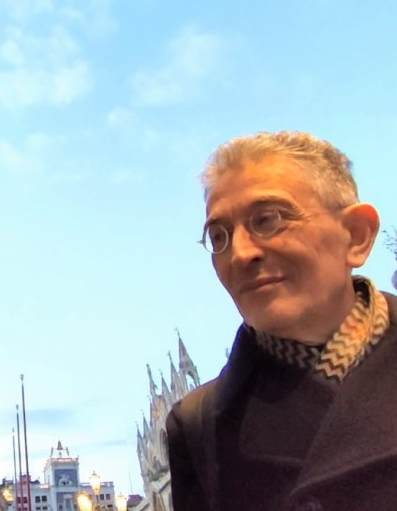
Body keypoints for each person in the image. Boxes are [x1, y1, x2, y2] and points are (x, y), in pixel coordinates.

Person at [166, 131, 396, 511]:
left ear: (356, 235)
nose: (239, 254)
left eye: (268, 219)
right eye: (219, 236)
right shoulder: (198, 426)